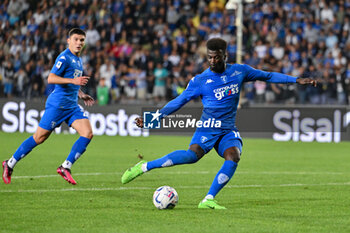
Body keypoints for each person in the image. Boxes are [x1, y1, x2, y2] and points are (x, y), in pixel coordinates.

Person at [121, 38, 317, 209]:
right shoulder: (200, 80)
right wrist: (153, 119)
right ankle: (145, 166)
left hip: (228, 129)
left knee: (234, 156)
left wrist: (296, 80)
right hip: (208, 127)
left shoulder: (239, 71)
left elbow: (267, 76)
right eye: (210, 57)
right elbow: (178, 102)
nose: (213, 61)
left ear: (225, 55)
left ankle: (208, 199)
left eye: (217, 57)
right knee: (192, 156)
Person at [2, 28, 95, 185]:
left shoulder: (78, 60)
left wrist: (81, 93)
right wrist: (74, 82)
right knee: (39, 138)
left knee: (88, 133)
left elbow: (71, 81)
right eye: (76, 39)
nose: (79, 43)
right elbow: (51, 78)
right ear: (69, 41)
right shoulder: (64, 57)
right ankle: (9, 163)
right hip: (57, 106)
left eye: (82, 40)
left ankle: (66, 167)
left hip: (72, 106)